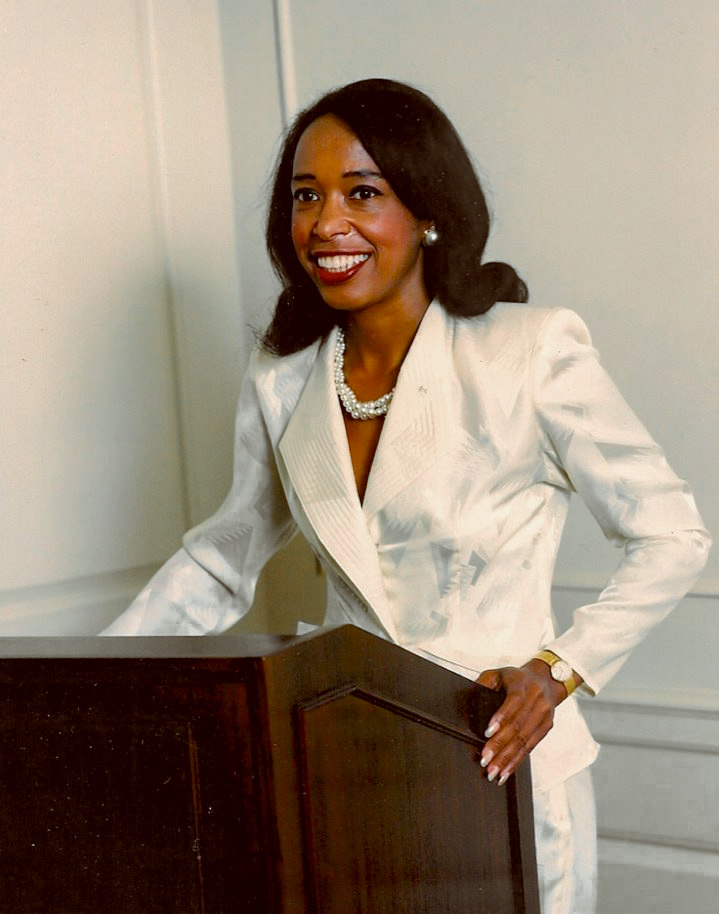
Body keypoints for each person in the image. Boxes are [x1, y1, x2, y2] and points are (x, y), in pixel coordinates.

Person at [101, 78, 710, 913]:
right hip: (343, 762)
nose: (327, 224)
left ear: (425, 210)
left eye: (363, 193)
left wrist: (557, 671)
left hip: (499, 762)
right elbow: (221, 559)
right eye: (305, 197)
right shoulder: (282, 380)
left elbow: (673, 535)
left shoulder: (529, 350)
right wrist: (87, 680)